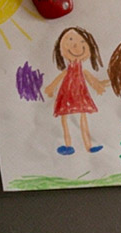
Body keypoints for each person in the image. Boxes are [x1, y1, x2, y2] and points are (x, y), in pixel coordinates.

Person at [44, 26, 109, 156]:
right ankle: (68, 145)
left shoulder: (82, 69)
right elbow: (60, 77)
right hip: (67, 94)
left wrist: (99, 84)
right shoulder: (68, 70)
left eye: (82, 42)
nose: (76, 46)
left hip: (80, 94)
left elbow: (91, 79)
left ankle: (89, 146)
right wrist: (51, 87)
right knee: (65, 118)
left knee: (82, 117)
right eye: (70, 40)